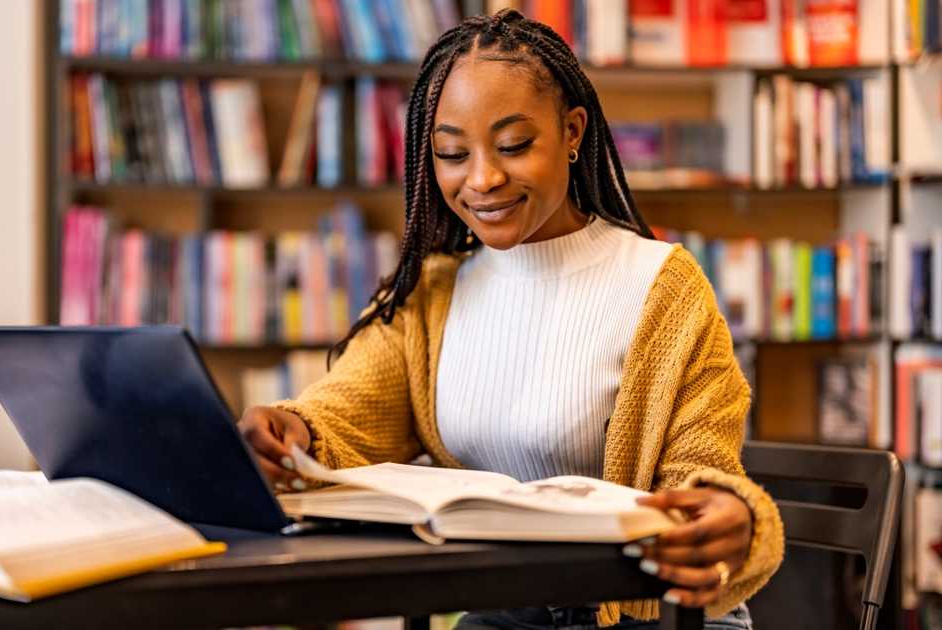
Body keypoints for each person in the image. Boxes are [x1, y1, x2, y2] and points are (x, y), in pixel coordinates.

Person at [238, 9, 783, 629]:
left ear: (573, 131)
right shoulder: (433, 293)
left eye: (514, 145)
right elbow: (344, 414)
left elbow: (705, 470)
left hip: (647, 614)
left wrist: (727, 516)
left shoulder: (664, 287)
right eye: (451, 152)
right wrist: (295, 433)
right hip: (507, 610)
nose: (482, 179)